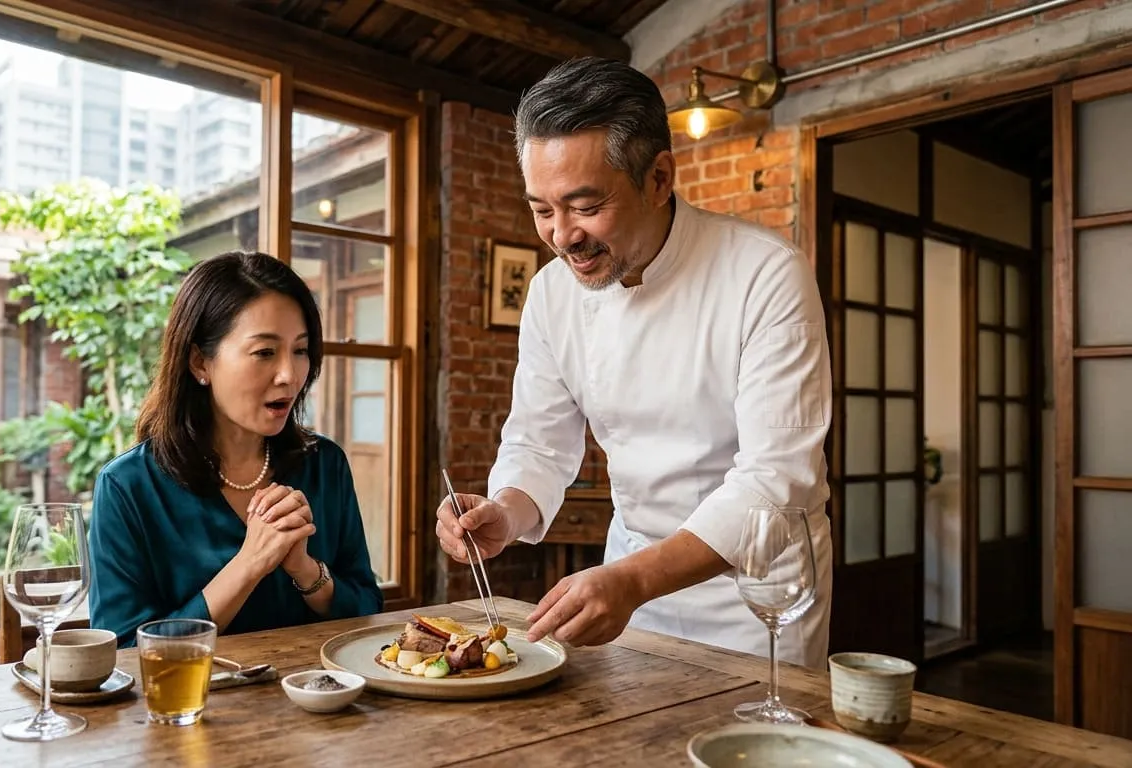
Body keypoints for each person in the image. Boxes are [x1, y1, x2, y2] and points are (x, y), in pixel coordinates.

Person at [434, 57, 834, 668]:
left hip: (754, 598)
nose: (563, 235)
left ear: (658, 178)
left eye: (585, 206)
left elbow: (776, 482)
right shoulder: (550, 294)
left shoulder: (765, 273)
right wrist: (505, 512)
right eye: (542, 209)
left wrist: (634, 580)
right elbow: (539, 443)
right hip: (625, 587)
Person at [89, 251, 384, 647]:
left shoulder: (324, 464)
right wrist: (249, 564)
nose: (290, 374)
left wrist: (305, 570)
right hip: (189, 709)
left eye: (300, 349)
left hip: (322, 702)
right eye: (264, 352)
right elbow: (123, 651)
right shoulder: (127, 486)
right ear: (200, 363)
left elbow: (368, 613)